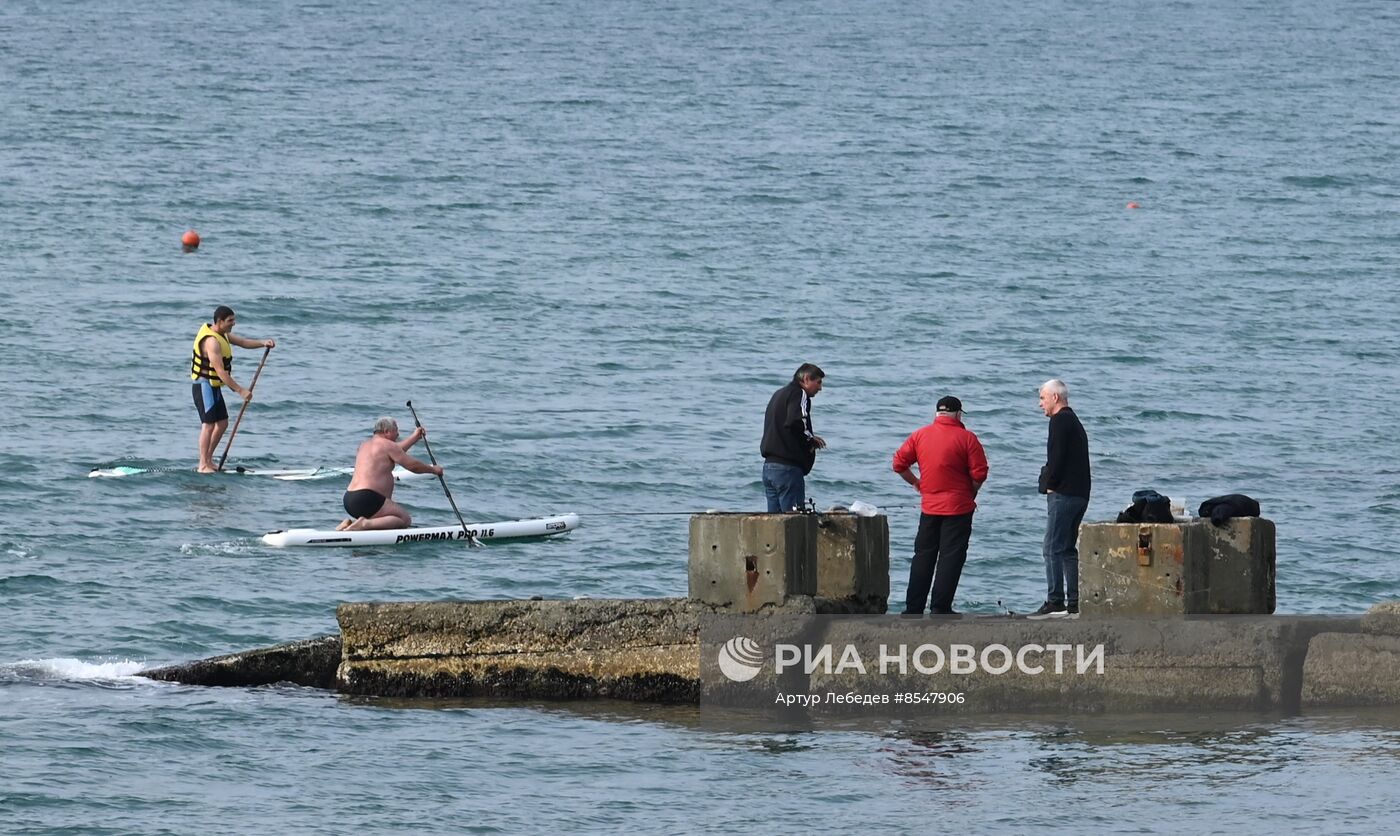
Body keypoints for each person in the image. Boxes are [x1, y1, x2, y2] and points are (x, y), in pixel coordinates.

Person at [892, 396, 989, 616]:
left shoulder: (919, 435)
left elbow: (898, 464)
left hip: (929, 506)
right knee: (950, 557)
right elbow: (980, 473)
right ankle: (940, 607)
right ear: (958, 414)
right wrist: (971, 491)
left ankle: (913, 608)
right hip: (958, 507)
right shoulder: (967, 438)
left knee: (923, 556)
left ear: (937, 414)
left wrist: (916, 483)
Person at [1028, 378, 1091, 619]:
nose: (1040, 403)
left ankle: (1055, 600)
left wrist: (1048, 485)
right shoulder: (1073, 420)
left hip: (1064, 493)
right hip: (1079, 493)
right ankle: (1073, 602)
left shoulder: (1059, 421)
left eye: (1042, 398)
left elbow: (1056, 458)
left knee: (1052, 547)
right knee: (1066, 548)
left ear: (1055, 397)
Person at [191, 306, 275, 473]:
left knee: (222, 423)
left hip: (213, 387)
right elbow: (221, 372)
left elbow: (243, 342)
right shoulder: (212, 341)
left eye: (233, 320)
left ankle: (209, 460)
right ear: (220, 322)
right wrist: (240, 390)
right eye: (230, 321)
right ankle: (202, 465)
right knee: (208, 425)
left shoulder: (223, 335)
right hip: (203, 386)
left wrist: (262, 343)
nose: (233, 324)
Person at [337, 417, 444, 531]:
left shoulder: (364, 445)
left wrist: (415, 437)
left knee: (385, 518)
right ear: (387, 431)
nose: (398, 434)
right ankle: (364, 524)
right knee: (404, 519)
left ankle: (350, 524)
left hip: (349, 499)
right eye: (396, 430)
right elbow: (413, 466)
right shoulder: (387, 445)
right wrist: (434, 470)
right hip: (367, 499)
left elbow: (396, 450)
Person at [760, 363, 827, 512]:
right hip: (787, 469)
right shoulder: (799, 394)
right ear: (807, 379)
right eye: (818, 382)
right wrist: (811, 438)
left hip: (769, 467)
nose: (820, 388)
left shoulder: (779, 394)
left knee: (775, 522)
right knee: (793, 521)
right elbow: (796, 420)